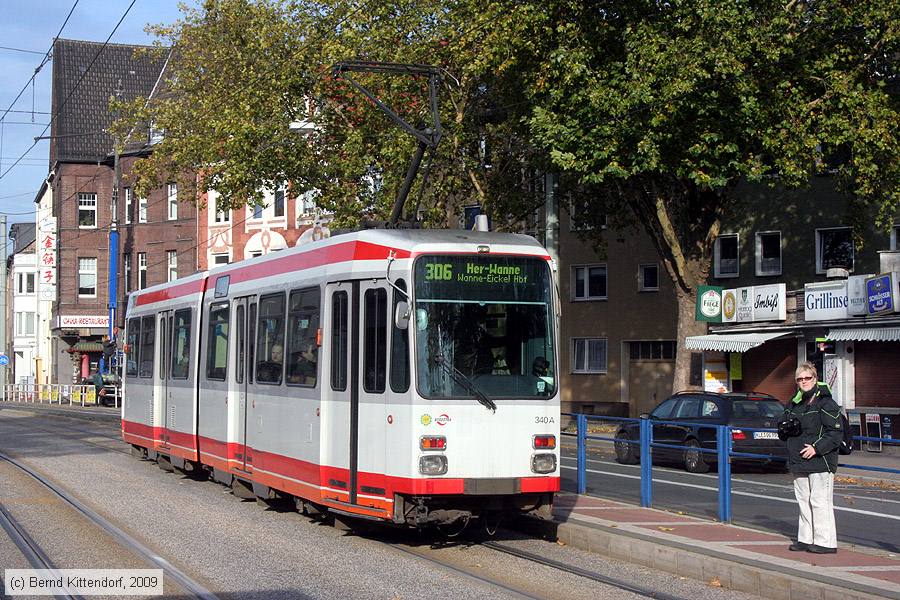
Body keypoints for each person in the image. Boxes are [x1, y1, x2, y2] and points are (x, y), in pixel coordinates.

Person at [780, 362, 843, 554]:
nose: (804, 382)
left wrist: (816, 448)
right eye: (800, 379)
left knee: (819, 501)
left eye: (807, 378)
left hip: (820, 461)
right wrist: (784, 428)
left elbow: (835, 433)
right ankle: (805, 538)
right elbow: (783, 425)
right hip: (799, 460)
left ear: (815, 379)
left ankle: (826, 542)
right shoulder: (795, 402)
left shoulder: (826, 403)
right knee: (803, 501)